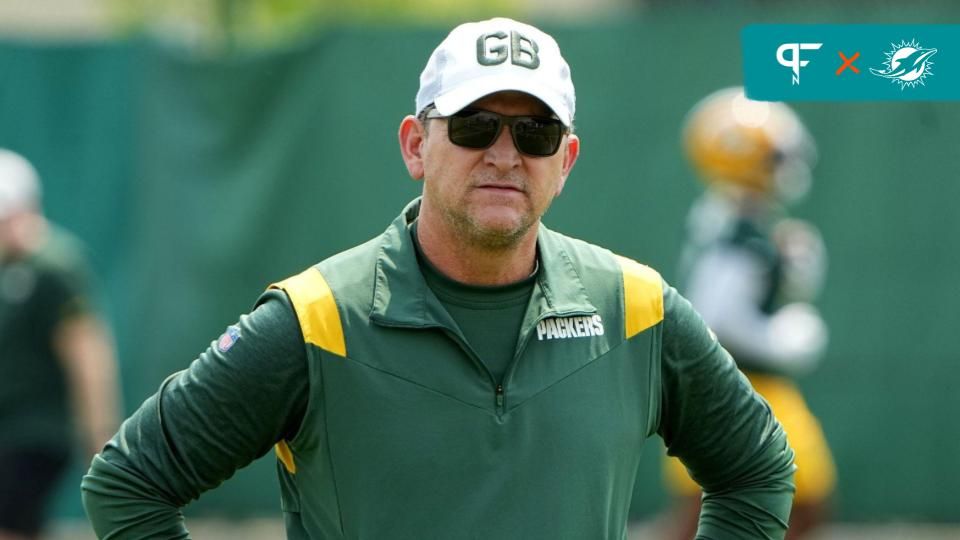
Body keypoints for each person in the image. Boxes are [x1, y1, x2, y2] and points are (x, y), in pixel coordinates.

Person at [82, 19, 796, 539]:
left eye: (535, 133)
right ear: (416, 145)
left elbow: (756, 469)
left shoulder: (635, 309)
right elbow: (130, 485)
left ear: (567, 160)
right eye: (476, 125)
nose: (506, 154)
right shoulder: (317, 318)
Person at [662, 87, 836, 540]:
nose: (785, 164)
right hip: (737, 383)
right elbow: (718, 319)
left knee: (796, 500)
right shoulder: (737, 230)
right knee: (710, 512)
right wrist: (782, 336)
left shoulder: (740, 219)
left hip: (754, 385)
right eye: (774, 155)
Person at [0, 149, 121, 540]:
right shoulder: (10, 269)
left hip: (36, 432)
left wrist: (100, 440)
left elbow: (88, 355)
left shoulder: (54, 266)